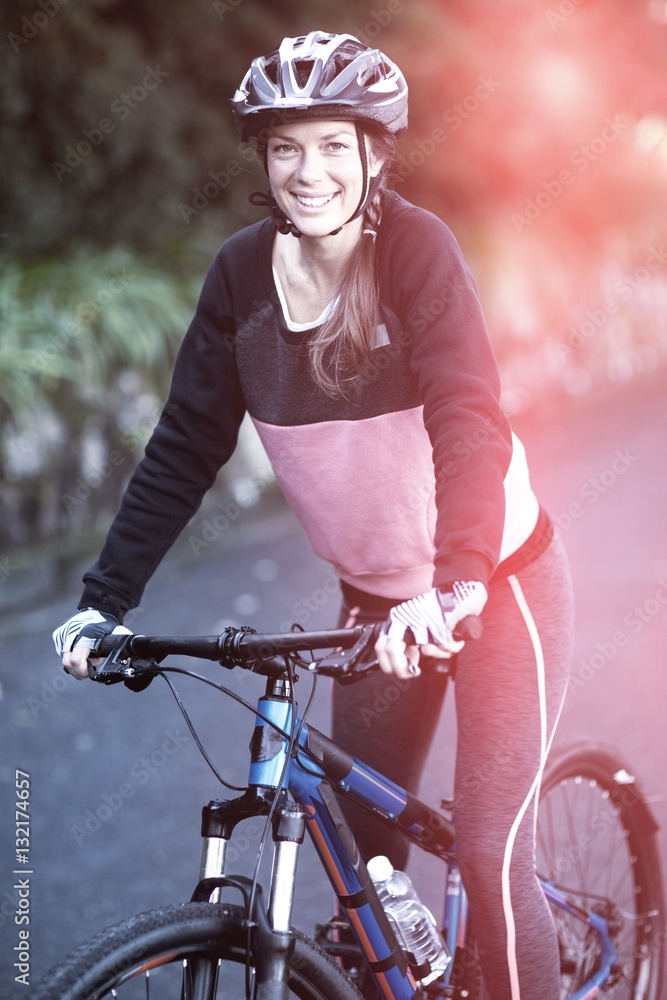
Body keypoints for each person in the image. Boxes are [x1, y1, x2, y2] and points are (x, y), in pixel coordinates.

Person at [53, 30, 573, 1000]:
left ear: (375, 153)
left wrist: (457, 579)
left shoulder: (417, 249)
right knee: (363, 877)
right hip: (376, 599)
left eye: (335, 144)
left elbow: (469, 418)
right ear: (263, 157)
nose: (309, 170)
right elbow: (184, 446)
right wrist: (103, 601)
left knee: (491, 854)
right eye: (287, 145)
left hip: (493, 581)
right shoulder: (242, 278)